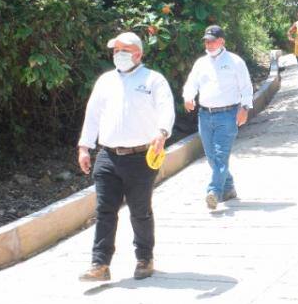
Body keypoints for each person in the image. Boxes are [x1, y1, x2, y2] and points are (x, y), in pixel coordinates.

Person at [76, 31, 175, 282]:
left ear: (138, 54)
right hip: (108, 156)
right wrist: (84, 147)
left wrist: (162, 133)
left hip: (141, 157)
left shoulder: (154, 80)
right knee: (104, 210)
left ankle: (144, 257)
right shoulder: (105, 81)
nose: (117, 55)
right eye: (114, 51)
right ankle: (100, 264)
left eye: (122, 50)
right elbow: (92, 115)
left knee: (139, 211)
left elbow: (166, 110)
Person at [182, 25, 254, 209]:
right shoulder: (201, 63)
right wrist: (188, 96)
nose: (209, 44)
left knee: (221, 156)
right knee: (212, 157)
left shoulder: (235, 61)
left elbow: (246, 87)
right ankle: (228, 188)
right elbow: (192, 83)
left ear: (222, 41)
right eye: (206, 41)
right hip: (205, 115)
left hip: (228, 115)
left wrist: (245, 107)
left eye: (213, 40)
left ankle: (213, 191)